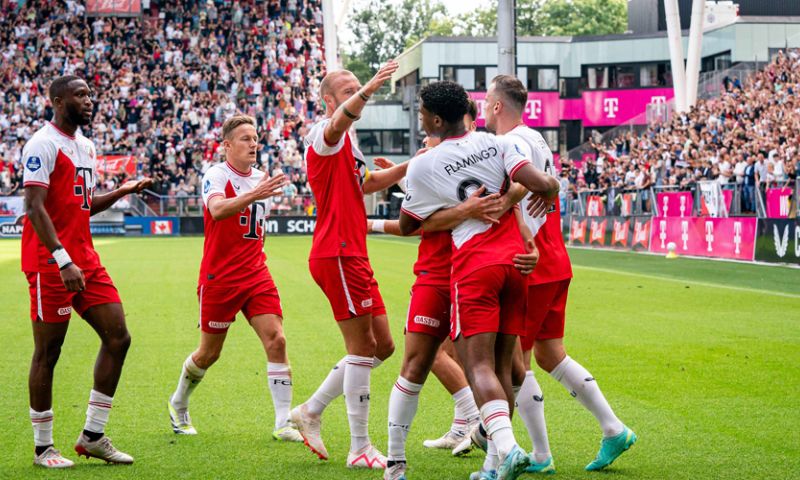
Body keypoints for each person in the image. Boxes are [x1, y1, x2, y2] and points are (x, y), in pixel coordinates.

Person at [398, 80, 559, 480]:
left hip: (475, 267)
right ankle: (491, 466)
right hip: (515, 264)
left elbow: (407, 224)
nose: (420, 119)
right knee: (506, 368)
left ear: (436, 119)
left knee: (478, 368)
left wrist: (463, 212)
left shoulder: (425, 163)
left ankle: (506, 448)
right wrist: (548, 190)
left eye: (421, 114)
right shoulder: (499, 144)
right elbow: (538, 182)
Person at [485, 74, 636, 473]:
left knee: (516, 362)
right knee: (552, 354)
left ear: (498, 106)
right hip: (556, 257)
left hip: (531, 260)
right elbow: (547, 186)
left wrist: (500, 205)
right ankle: (613, 428)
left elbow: (527, 187)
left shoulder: (510, 142)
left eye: (486, 102)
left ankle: (539, 455)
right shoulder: (536, 138)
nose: (483, 108)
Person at [22, 75, 152, 468]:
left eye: (91, 94)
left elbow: (82, 205)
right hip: (51, 262)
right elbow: (34, 207)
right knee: (49, 352)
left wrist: (123, 191)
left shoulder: (86, 146)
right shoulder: (42, 143)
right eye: (81, 95)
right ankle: (44, 448)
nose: (89, 100)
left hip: (86, 259)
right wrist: (62, 259)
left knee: (119, 337)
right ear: (58, 101)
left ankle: (92, 435)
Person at [290, 61, 409, 470]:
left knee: (384, 346)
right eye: (349, 90)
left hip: (352, 251)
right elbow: (338, 124)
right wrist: (372, 87)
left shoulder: (348, 140)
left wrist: (419, 163)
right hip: (337, 252)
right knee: (361, 348)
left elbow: (367, 183)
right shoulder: (322, 134)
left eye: (360, 87)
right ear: (329, 101)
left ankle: (311, 410)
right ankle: (359, 446)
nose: (359, 93)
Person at [166, 115, 301, 442]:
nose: (253, 143)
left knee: (277, 340)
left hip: (256, 274)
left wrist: (260, 190)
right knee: (209, 354)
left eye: (255, 138)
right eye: (244, 138)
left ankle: (283, 422)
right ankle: (178, 402)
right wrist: (257, 193)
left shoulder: (261, 178)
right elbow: (218, 210)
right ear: (227, 145)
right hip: (220, 278)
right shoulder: (216, 174)